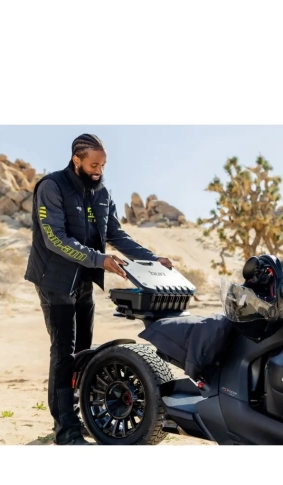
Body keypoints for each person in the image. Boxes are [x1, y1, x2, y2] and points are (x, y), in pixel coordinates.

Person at [24, 133, 173, 445]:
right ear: (76, 160)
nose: (99, 171)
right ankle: (66, 431)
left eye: (103, 165)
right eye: (93, 165)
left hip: (83, 282)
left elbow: (115, 234)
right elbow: (55, 239)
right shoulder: (51, 186)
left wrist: (151, 258)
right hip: (54, 281)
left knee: (82, 353)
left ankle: (80, 418)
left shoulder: (101, 192)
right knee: (63, 353)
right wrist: (99, 259)